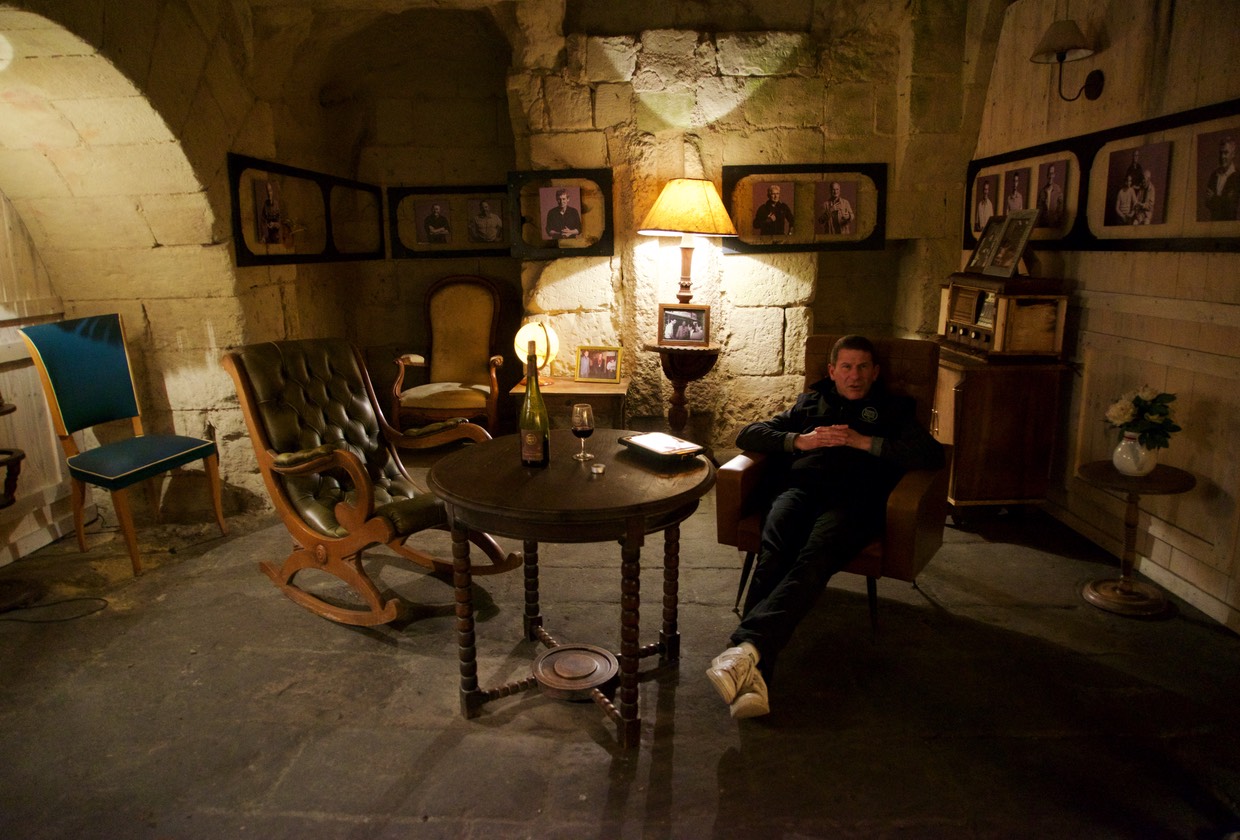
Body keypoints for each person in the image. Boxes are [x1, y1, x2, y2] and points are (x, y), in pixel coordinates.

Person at [706, 335, 945, 719]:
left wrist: (864, 442)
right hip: (799, 491)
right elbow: (748, 434)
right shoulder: (811, 402)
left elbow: (930, 454)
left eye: (863, 367)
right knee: (775, 550)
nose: (854, 376)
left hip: (854, 501)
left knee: (814, 557)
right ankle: (750, 670)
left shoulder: (894, 409)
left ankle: (746, 653)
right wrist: (801, 440)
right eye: (846, 367)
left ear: (875, 372)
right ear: (832, 371)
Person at [1204, 136, 1240, 221]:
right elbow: (1207, 203)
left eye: (1226, 153)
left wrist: (1214, 198)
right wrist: (1222, 200)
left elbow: (1231, 206)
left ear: (1233, 154)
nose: (1222, 156)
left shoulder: (1238, 176)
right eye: (1220, 153)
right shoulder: (1214, 175)